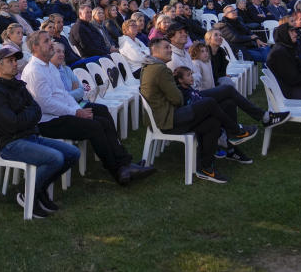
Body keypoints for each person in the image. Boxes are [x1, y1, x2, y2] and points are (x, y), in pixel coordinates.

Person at [22, 30, 154, 186]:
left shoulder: (48, 66)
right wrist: (76, 112)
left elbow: (63, 94)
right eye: (46, 41)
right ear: (35, 47)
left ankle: (124, 163)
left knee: (102, 115)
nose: (51, 43)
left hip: (62, 111)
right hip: (48, 121)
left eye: (50, 39)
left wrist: (77, 109)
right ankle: (118, 170)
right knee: (96, 126)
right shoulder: (34, 71)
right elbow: (46, 104)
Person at [0, 46, 80, 218]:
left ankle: (38, 188)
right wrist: (28, 115)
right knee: (55, 158)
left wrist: (24, 115)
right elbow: (13, 124)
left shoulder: (17, 85)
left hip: (28, 136)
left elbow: (37, 109)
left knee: (72, 153)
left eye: (15, 60)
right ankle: (27, 192)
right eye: (10, 61)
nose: (15, 64)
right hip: (9, 143)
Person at [140, 38, 239, 184]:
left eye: (169, 47)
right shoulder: (160, 69)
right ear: (155, 51)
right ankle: (235, 131)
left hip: (165, 115)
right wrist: (179, 93)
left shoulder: (150, 66)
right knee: (209, 103)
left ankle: (205, 167)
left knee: (212, 122)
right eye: (166, 48)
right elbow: (177, 99)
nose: (170, 50)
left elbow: (174, 97)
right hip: (168, 119)